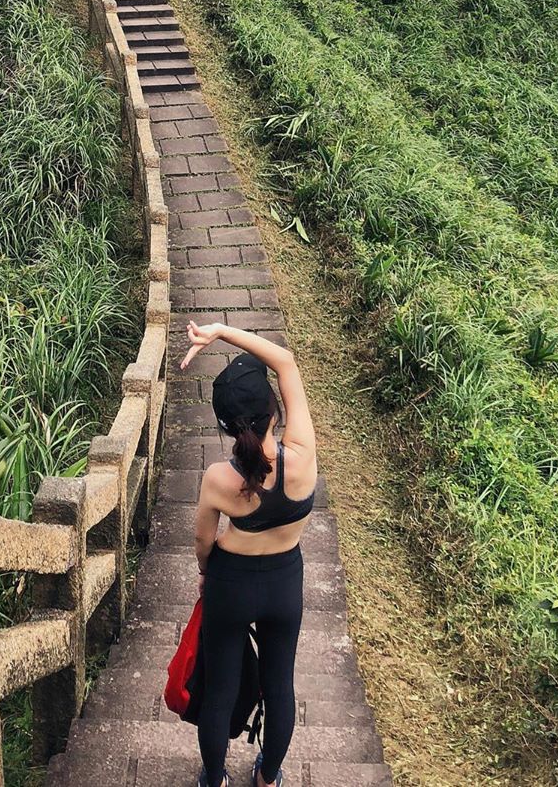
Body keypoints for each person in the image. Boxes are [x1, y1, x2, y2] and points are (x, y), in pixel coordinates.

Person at [182, 320, 318, 787]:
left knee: (220, 688)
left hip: (231, 584)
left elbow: (202, 542)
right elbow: (285, 362)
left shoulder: (220, 478)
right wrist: (221, 331)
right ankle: (268, 776)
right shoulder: (302, 455)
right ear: (273, 412)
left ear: (223, 425)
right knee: (280, 685)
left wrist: (206, 573)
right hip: (284, 582)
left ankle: (215, 778)